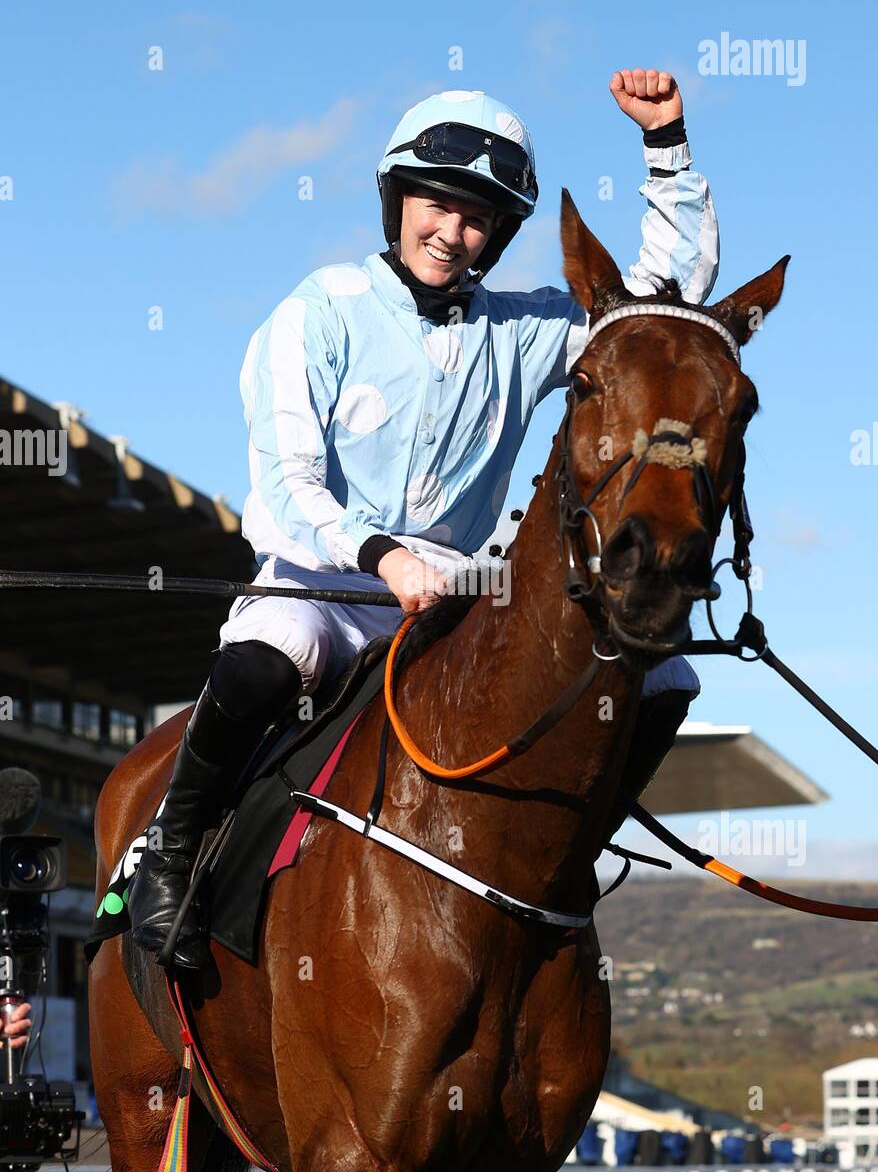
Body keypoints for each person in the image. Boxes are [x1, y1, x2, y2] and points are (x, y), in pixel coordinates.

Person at [129, 70, 717, 970]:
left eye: (477, 219)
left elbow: (661, 297)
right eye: (435, 205)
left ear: (500, 234)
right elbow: (286, 486)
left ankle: (568, 855)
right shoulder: (316, 310)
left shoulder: (528, 332)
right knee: (259, 662)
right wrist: (380, 558)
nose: (452, 232)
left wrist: (665, 145)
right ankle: (169, 857)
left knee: (665, 674)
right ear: (397, 200)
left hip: (460, 595)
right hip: (322, 584)